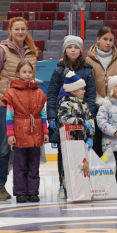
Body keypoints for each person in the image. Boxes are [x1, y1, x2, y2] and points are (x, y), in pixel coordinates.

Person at [0, 17, 39, 202]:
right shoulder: (2, 50)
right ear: (9, 30)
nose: (20, 32)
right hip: (5, 107)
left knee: (25, 148)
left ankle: (25, 187)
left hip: (26, 109)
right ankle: (1, 185)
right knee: (3, 147)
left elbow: (31, 80)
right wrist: (0, 99)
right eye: (16, 29)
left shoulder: (32, 52)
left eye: (23, 29)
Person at [48, 36, 98, 200]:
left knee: (82, 155)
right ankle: (63, 184)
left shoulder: (88, 70)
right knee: (64, 154)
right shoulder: (58, 70)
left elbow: (91, 96)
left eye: (76, 47)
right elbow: (52, 94)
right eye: (70, 47)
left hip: (82, 120)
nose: (73, 50)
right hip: (65, 121)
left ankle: (82, 184)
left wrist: (89, 118)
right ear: (65, 50)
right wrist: (52, 116)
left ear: (80, 50)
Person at [2, 60, 48, 204]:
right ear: (18, 73)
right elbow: (9, 116)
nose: (27, 74)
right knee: (20, 165)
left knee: (34, 165)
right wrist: (10, 134)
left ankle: (33, 192)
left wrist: (45, 131)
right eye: (24, 72)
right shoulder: (12, 93)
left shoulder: (39, 92)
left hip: (36, 133)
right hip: (20, 133)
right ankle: (21, 193)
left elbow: (43, 113)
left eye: (30, 72)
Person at [86, 26, 117, 156]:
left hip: (116, 109)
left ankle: (114, 169)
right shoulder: (88, 61)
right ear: (98, 39)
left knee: (114, 150)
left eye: (111, 40)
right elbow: (88, 85)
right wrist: (100, 100)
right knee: (97, 146)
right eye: (105, 39)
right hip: (95, 108)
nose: (108, 43)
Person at [56, 69, 96, 200]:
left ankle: (83, 188)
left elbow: (90, 120)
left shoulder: (84, 103)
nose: (84, 91)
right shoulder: (65, 103)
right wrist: (81, 122)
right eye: (82, 89)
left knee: (83, 166)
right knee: (69, 166)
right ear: (73, 91)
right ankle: (66, 187)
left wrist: (90, 136)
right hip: (70, 141)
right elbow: (64, 119)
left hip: (83, 141)